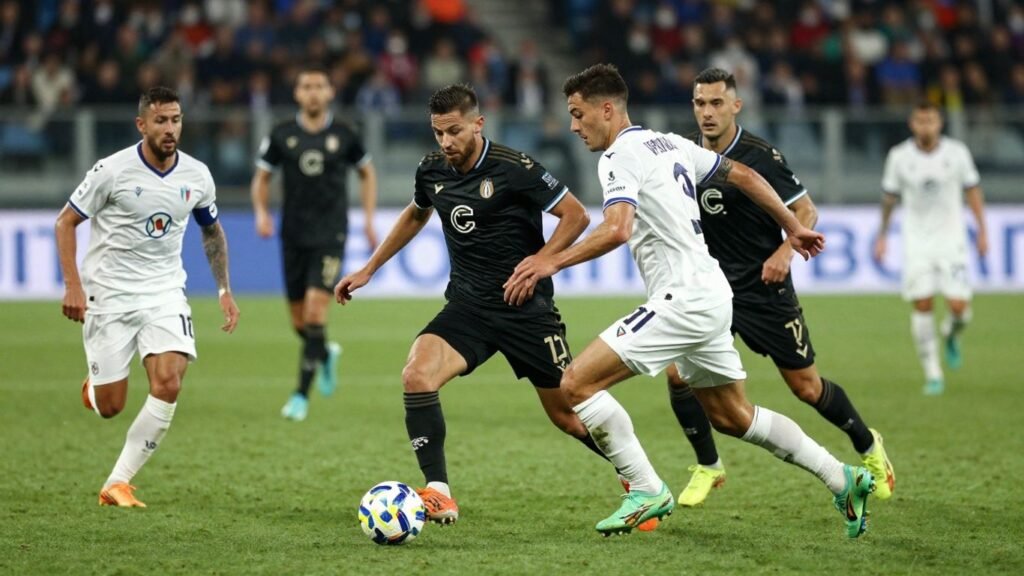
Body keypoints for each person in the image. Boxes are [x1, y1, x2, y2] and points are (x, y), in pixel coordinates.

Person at [506, 64, 875, 538]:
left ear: (606, 109)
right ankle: (841, 477)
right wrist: (792, 224)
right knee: (732, 416)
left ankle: (644, 489)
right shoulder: (670, 143)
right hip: (712, 294)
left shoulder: (619, 156)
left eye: (578, 115)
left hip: (683, 299)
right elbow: (741, 174)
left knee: (575, 384)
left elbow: (617, 228)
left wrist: (551, 262)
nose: (574, 126)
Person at [334, 83, 598, 525]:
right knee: (417, 375)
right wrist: (370, 268)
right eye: (438, 133)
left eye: (454, 131)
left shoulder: (517, 168)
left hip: (525, 308)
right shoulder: (432, 169)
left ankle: (637, 477)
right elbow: (417, 213)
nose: (446, 142)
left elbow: (577, 215)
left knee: (569, 415)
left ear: (478, 123)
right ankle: (439, 492)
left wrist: (542, 261)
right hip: (469, 308)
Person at [653, 68, 895, 514]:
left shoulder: (760, 155)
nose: (707, 112)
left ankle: (867, 444)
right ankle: (708, 465)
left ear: (736, 106)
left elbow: (806, 209)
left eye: (716, 104)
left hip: (766, 289)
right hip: (712, 291)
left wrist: (785, 250)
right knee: (676, 374)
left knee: (805, 387)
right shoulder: (684, 153)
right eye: (699, 103)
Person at [55, 86, 241, 508]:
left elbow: (211, 231)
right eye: (161, 120)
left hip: (164, 293)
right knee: (111, 406)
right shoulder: (112, 171)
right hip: (110, 295)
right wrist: (73, 285)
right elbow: (65, 222)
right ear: (142, 125)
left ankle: (117, 482)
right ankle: (96, 386)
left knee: (170, 381)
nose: (170, 128)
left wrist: (224, 290)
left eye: (176, 119)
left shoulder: (197, 175)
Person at [251, 64, 379, 421]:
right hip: (292, 234)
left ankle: (299, 396)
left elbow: (367, 173)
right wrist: (261, 213)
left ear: (329, 93)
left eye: (319, 85)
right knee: (299, 322)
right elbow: (261, 177)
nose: (312, 92)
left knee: (314, 312)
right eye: (305, 86)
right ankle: (324, 353)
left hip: (330, 233)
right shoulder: (281, 134)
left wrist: (369, 220)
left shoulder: (345, 133)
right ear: (297, 93)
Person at [874, 101, 987, 396]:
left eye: (932, 121)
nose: (926, 126)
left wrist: (983, 230)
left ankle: (951, 333)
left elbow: (972, 190)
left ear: (940, 123)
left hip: (952, 241)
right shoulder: (899, 156)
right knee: (922, 304)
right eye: (921, 121)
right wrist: (883, 235)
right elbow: (889, 199)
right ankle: (933, 374)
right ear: (913, 124)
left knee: (960, 308)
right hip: (917, 242)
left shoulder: (957, 153)